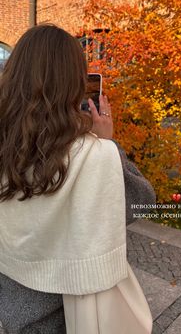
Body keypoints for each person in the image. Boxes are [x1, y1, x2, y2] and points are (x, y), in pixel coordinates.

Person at [0, 24, 156, 333]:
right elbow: (140, 203)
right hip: (68, 312)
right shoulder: (93, 155)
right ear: (74, 83)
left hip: (11, 302)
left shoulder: (5, 144)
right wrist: (109, 144)